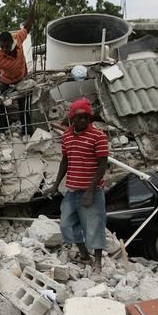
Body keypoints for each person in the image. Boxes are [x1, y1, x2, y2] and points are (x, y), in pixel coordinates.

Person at [54, 98, 109, 275]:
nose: (84, 120)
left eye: (86, 117)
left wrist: (91, 191)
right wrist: (55, 185)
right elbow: (65, 161)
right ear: (72, 119)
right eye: (80, 118)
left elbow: (102, 164)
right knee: (67, 225)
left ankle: (98, 263)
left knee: (94, 225)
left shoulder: (98, 136)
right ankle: (85, 255)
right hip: (72, 189)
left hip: (92, 190)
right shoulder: (67, 136)